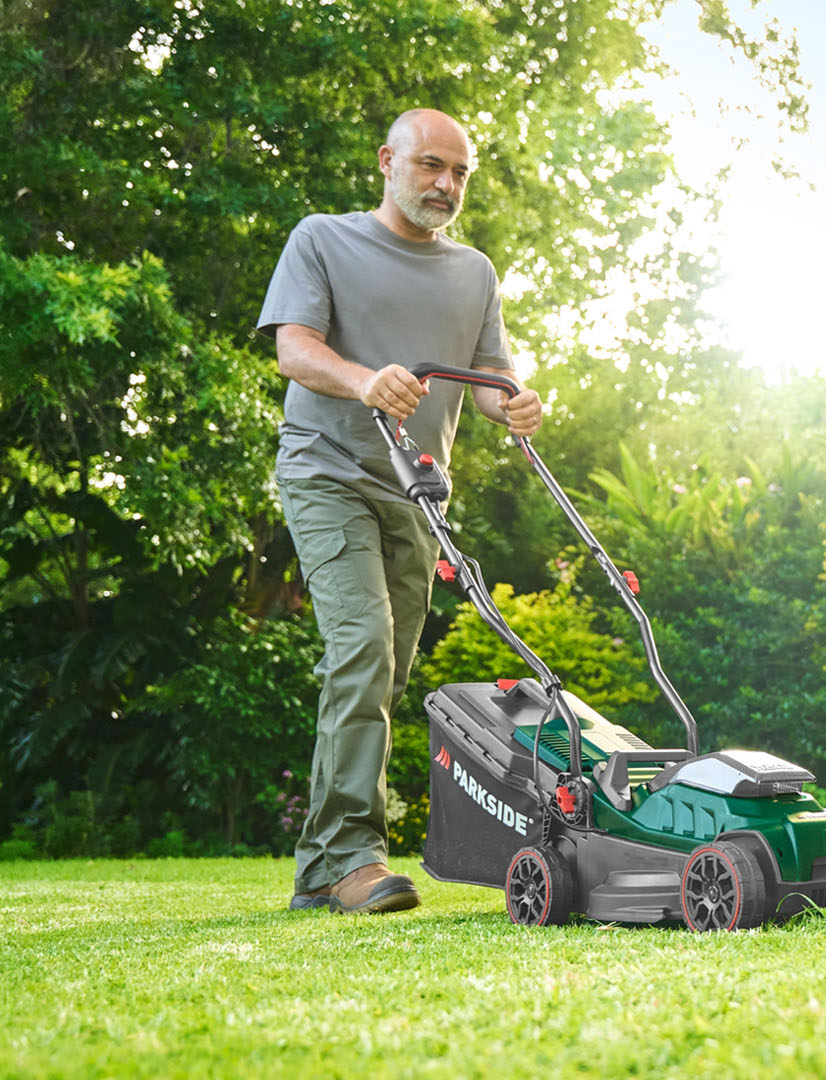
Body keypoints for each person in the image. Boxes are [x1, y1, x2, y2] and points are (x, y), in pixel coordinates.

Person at [257, 108, 544, 915]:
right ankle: (354, 856)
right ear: (388, 161)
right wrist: (365, 381)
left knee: (384, 668)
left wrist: (516, 404)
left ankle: (320, 867)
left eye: (459, 173)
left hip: (416, 490)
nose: (445, 184)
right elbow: (292, 348)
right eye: (430, 166)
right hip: (328, 468)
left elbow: (490, 380)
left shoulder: (474, 273)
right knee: (363, 643)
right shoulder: (323, 238)